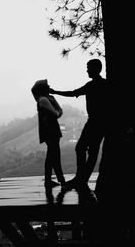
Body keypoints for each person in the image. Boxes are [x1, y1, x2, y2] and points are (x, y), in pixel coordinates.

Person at [49, 58, 108, 188]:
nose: (87, 70)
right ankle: (82, 178)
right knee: (92, 151)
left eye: (88, 68)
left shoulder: (91, 85)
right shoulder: (106, 84)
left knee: (81, 148)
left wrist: (55, 92)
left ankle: (80, 178)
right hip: (102, 123)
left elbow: (73, 93)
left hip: (93, 122)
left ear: (94, 69)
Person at [31, 79, 66, 188]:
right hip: (50, 130)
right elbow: (57, 113)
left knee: (52, 156)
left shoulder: (45, 98)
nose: (49, 86)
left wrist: (58, 111)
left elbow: (59, 111)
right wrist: (57, 111)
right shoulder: (43, 99)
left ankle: (49, 180)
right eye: (47, 85)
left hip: (51, 129)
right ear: (43, 88)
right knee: (54, 155)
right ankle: (61, 181)